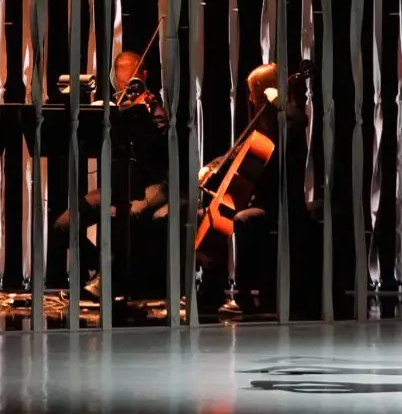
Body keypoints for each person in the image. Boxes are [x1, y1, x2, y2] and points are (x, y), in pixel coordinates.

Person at [49, 49, 169, 300]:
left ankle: (110, 279)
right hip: (119, 187)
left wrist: (145, 117)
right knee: (63, 226)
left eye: (133, 85)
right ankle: (100, 271)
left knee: (131, 215)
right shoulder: (112, 111)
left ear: (144, 76)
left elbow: (161, 151)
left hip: (152, 185)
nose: (128, 91)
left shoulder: (154, 109)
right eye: (122, 85)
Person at [197, 61, 309, 318]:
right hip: (260, 199)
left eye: (253, 94)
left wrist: (279, 110)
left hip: (282, 203)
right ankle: (209, 292)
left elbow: (279, 158)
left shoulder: (289, 125)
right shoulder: (264, 126)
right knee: (209, 215)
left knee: (242, 220)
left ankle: (243, 294)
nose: (250, 99)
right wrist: (211, 167)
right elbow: (237, 152)